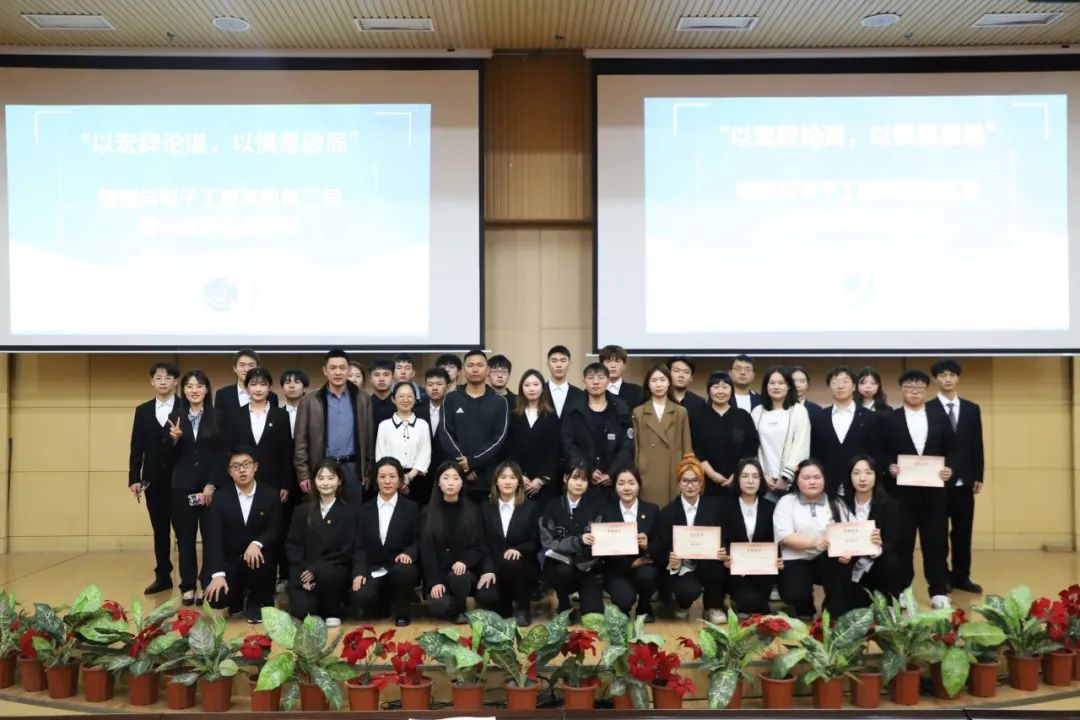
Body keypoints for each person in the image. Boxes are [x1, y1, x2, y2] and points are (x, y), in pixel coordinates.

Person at [884, 370, 954, 609]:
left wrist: (950, 469)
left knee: (936, 542)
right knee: (902, 542)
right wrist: (889, 466)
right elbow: (880, 450)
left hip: (934, 494)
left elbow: (954, 450)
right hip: (901, 494)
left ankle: (938, 590)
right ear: (901, 390)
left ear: (926, 390)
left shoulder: (940, 417)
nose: (914, 392)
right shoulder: (890, 419)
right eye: (909, 387)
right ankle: (903, 589)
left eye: (919, 388)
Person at [223, 368, 296, 591]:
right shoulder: (235, 415)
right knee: (245, 527)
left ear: (269, 388)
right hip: (243, 482)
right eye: (253, 384)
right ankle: (243, 579)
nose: (258, 389)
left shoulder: (280, 415)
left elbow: (287, 451)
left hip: (272, 484)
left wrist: (286, 484)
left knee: (274, 530)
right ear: (246, 388)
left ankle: (276, 577)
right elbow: (229, 450)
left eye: (262, 384)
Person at [201, 446, 282, 623]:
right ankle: (237, 596)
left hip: (259, 560)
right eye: (236, 466)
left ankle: (257, 601)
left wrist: (257, 543)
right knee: (217, 598)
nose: (242, 470)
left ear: (255, 467)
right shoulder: (220, 498)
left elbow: (275, 529)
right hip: (231, 561)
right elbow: (213, 539)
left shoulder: (270, 495)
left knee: (260, 558)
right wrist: (217, 574)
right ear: (230, 472)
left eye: (246, 464)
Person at [929, 359, 985, 594]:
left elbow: (976, 444)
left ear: (958, 378)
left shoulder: (971, 408)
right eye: (943, 375)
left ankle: (962, 576)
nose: (948, 379)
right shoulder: (927, 408)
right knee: (938, 534)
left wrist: (978, 475)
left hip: (964, 482)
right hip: (937, 481)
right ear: (936, 379)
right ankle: (942, 577)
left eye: (952, 375)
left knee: (963, 533)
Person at [165, 369, 220, 607]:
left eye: (199, 386)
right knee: (185, 539)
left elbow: (222, 454)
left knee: (211, 537)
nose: (194, 390)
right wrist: (174, 439)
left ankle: (207, 581)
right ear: (184, 390)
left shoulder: (218, 416)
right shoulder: (175, 416)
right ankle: (187, 585)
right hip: (182, 487)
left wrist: (211, 484)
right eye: (189, 386)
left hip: (210, 488)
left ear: (206, 389)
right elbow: (166, 452)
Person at [650, 455, 727, 623]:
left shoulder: (714, 508)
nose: (690, 485)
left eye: (695, 481)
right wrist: (670, 557)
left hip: (707, 562)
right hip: (682, 566)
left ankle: (713, 606)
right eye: (685, 481)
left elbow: (724, 536)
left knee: (718, 568)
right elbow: (658, 547)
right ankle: (682, 604)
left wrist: (723, 550)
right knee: (688, 590)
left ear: (701, 483)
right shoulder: (668, 512)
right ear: (678, 483)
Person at [294, 349, 375, 507]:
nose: (338, 372)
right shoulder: (310, 400)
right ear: (325, 371)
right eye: (333, 368)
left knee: (353, 515)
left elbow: (369, 438)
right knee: (322, 515)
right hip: (322, 468)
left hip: (353, 468)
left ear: (348, 370)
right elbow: (301, 440)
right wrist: (303, 474)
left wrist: (368, 471)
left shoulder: (362, 398)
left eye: (342, 368)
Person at [773, 459, 852, 619]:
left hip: (827, 558)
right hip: (796, 558)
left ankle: (831, 613)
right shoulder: (787, 502)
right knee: (795, 594)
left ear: (824, 479)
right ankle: (805, 609)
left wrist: (848, 552)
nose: (812, 482)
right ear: (797, 480)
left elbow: (849, 532)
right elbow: (785, 537)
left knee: (841, 573)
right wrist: (814, 542)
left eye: (817, 477)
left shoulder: (836, 502)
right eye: (806, 478)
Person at [128, 361, 181, 595]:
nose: (163, 381)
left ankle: (189, 580)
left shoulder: (185, 407)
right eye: (158, 377)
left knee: (184, 532)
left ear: (176, 382)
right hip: (153, 480)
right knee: (160, 530)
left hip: (181, 479)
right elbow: (136, 446)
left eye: (168, 377)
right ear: (152, 381)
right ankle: (163, 576)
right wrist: (134, 477)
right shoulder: (143, 410)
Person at [420, 462, 495, 623]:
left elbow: (479, 545)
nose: (451, 483)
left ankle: (460, 608)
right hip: (440, 573)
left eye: (456, 478)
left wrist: (464, 561)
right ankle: (449, 602)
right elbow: (427, 551)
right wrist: (435, 581)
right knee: (439, 606)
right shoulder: (428, 512)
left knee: (459, 576)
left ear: (462, 483)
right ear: (438, 483)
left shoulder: (473, 510)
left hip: (465, 573)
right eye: (446, 478)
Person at [350, 457, 421, 627]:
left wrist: (408, 553)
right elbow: (359, 546)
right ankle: (383, 603)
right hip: (374, 568)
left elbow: (418, 540)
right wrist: (359, 572)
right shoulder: (363, 510)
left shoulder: (411, 508)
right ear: (376, 480)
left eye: (392, 476)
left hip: (399, 567)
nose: (387, 481)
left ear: (400, 480)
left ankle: (402, 612)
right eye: (382, 477)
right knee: (360, 595)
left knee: (403, 572)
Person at [285, 458, 355, 625]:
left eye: (331, 478)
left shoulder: (349, 511)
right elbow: (293, 544)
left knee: (330, 574)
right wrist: (303, 574)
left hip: (334, 569)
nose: (325, 483)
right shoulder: (302, 510)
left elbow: (348, 549)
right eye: (321, 478)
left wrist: (316, 569)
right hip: (305, 571)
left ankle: (333, 609)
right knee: (302, 612)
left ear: (339, 481)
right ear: (314, 481)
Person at [439, 350, 510, 503]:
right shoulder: (451, 399)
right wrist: (464, 465)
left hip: (488, 478)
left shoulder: (499, 401)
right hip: (456, 477)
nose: (475, 369)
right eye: (470, 365)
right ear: (463, 370)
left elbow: (498, 438)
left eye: (480, 365)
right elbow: (445, 433)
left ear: (488, 370)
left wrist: (472, 461)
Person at [538, 461, 605, 620]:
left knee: (593, 615)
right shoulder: (552, 507)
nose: (579, 483)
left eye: (584, 479)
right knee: (563, 572)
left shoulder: (596, 507)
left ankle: (586, 598)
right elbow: (549, 542)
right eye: (575, 478)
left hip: (588, 567)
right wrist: (578, 541)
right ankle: (563, 601)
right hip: (560, 565)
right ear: (565, 478)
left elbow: (602, 541)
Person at [477, 461, 540, 626]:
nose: (507, 481)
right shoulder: (485, 507)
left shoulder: (530, 507)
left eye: (512, 477)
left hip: (523, 565)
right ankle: (504, 605)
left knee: (512, 563)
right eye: (503, 477)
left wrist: (519, 550)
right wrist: (487, 570)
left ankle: (523, 607)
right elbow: (482, 543)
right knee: (485, 597)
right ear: (496, 481)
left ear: (519, 481)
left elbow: (536, 541)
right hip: (495, 566)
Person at [810, 366, 884, 497]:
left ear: (854, 386)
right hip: (827, 487)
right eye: (835, 382)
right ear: (830, 386)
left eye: (845, 381)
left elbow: (876, 453)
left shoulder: (870, 417)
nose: (840, 386)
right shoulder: (819, 417)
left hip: (861, 487)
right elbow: (815, 453)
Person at [560, 363, 634, 493]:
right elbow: (568, 443)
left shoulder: (621, 407)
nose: (595, 382)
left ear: (608, 380)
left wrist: (612, 473)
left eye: (600, 377)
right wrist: (588, 470)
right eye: (590, 378)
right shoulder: (572, 409)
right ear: (584, 381)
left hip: (615, 482)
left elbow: (627, 445)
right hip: (582, 480)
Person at [599, 467, 659, 622]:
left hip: (643, 567)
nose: (626, 488)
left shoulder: (652, 510)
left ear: (639, 486)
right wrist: (631, 564)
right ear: (615, 487)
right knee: (624, 600)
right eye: (621, 483)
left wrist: (648, 546)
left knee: (648, 575)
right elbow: (603, 549)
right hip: (616, 569)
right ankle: (622, 606)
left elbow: (660, 544)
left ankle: (644, 606)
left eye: (631, 483)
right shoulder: (605, 512)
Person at [721, 459, 781, 616]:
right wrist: (726, 555)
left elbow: (775, 540)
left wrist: (777, 558)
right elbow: (722, 538)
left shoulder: (771, 508)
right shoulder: (725, 507)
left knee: (759, 605)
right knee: (748, 603)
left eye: (755, 476)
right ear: (737, 479)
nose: (750, 481)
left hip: (763, 569)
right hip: (735, 568)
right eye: (745, 476)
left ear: (761, 480)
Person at [843, 455, 903, 605]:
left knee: (891, 561)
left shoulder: (890, 505)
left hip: (875, 562)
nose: (862, 478)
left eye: (868, 473)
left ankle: (889, 603)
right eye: (856, 473)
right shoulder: (840, 504)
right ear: (850, 476)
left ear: (876, 476)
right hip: (848, 561)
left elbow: (893, 541)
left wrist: (879, 545)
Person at [691, 371, 759, 497]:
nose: (720, 391)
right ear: (709, 390)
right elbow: (696, 449)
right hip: (706, 483)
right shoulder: (698, 417)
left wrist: (737, 473)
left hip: (738, 483)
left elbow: (750, 448)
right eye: (716, 387)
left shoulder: (742, 416)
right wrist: (712, 474)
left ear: (731, 390)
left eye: (725, 387)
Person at [633, 363, 693, 506]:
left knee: (671, 511)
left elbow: (687, 447)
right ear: (648, 384)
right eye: (654, 380)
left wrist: (688, 472)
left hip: (674, 470)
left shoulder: (680, 412)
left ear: (669, 383)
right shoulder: (638, 412)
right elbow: (635, 448)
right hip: (647, 472)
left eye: (662, 380)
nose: (658, 384)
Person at [503, 369, 561, 508]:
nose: (531, 389)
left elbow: (555, 450)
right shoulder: (512, 415)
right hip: (517, 481)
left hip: (544, 484)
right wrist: (518, 475)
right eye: (527, 385)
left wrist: (541, 479)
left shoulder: (552, 416)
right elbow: (508, 448)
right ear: (521, 389)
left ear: (542, 388)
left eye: (536, 384)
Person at [751, 367, 811, 497]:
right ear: (766, 386)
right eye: (772, 383)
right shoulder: (757, 412)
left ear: (788, 386)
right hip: (764, 480)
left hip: (790, 481)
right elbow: (753, 446)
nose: (776, 387)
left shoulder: (799, 411)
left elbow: (801, 446)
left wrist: (785, 477)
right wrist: (761, 475)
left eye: (781, 383)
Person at [375, 382, 432, 505]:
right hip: (390, 480)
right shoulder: (384, 426)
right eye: (401, 396)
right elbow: (380, 455)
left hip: (417, 478)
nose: (405, 400)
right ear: (393, 399)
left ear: (415, 399)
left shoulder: (423, 425)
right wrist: (397, 479)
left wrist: (409, 477)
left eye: (409, 396)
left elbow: (425, 453)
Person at [214, 349, 278, 435]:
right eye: (242, 365)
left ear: (258, 367)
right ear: (235, 368)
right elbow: (218, 427)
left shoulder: (271, 396)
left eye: (251, 365)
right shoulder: (222, 395)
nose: (246, 369)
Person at [417, 367, 451, 474]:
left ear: (448, 387)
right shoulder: (416, 413)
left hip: (448, 469)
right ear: (426, 388)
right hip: (421, 471)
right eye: (430, 384)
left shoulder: (455, 412)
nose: (435, 388)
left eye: (439, 384)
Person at [547, 345, 584, 418]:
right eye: (554, 361)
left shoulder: (580, 395)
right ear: (548, 364)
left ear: (569, 364)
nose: (558, 365)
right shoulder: (539, 393)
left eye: (563, 361)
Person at [279, 368, 310, 438]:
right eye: (287, 382)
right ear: (282, 388)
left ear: (305, 388)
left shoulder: (313, 414)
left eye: (297, 382)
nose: (292, 386)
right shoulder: (276, 416)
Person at [369, 359, 396, 427]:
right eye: (377, 375)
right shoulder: (365, 405)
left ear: (393, 378)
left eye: (386, 375)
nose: (381, 379)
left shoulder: (400, 404)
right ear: (371, 379)